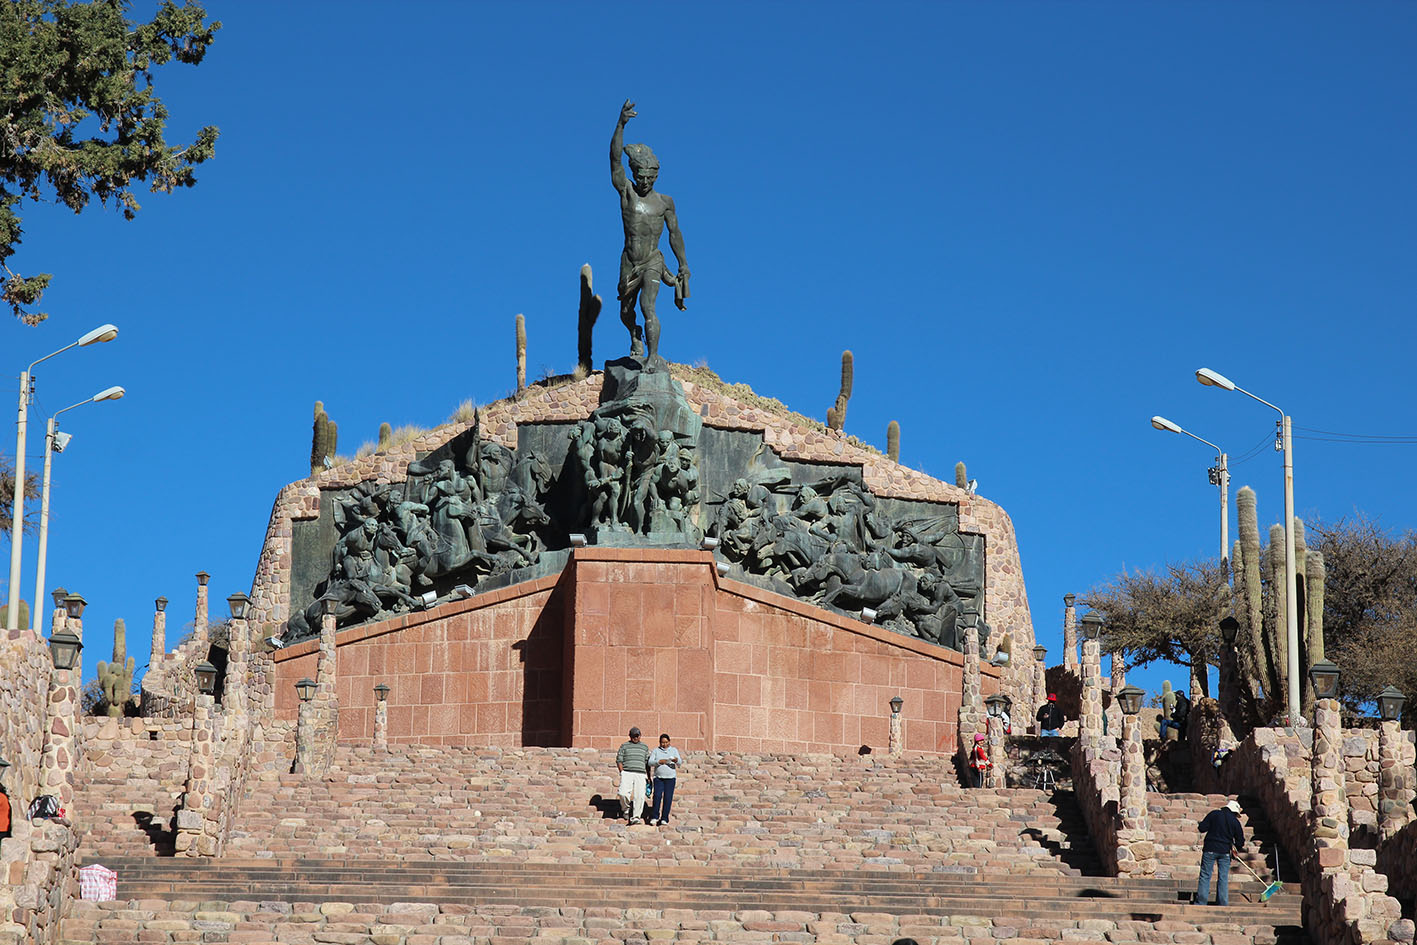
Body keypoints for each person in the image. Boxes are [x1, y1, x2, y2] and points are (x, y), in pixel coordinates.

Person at [610, 100, 690, 367]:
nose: (644, 182)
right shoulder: (627, 192)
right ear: (634, 174)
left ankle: (653, 358)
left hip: (653, 261)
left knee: (648, 307)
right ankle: (635, 334)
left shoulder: (665, 202)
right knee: (625, 311)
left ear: (656, 177)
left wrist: (683, 264)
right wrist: (620, 125)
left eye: (649, 178)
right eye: (640, 177)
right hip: (629, 261)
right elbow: (614, 160)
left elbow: (674, 233)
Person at [1192, 799, 1246, 906]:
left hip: (1210, 849)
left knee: (1205, 875)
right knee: (1223, 878)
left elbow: (1202, 828)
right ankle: (1222, 903)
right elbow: (1240, 841)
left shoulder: (1214, 814)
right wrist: (1236, 849)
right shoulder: (1235, 822)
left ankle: (1201, 902)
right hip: (1225, 851)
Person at [615, 726, 651, 825]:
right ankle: (626, 809)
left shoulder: (644, 747)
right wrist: (622, 772)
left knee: (640, 796)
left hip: (641, 773)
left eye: (637, 735)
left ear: (640, 736)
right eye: (633, 736)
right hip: (627, 772)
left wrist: (649, 777)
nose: (636, 737)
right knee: (623, 793)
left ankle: (636, 817)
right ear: (630, 736)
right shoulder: (624, 746)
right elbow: (619, 760)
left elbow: (647, 763)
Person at [646, 733, 683, 827]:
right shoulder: (656, 751)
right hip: (659, 778)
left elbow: (680, 762)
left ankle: (664, 818)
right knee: (657, 796)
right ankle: (655, 816)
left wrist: (675, 760)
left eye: (666, 742)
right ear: (659, 742)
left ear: (669, 742)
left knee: (668, 798)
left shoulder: (674, 750)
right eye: (662, 742)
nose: (665, 744)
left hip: (670, 778)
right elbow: (650, 762)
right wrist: (659, 762)